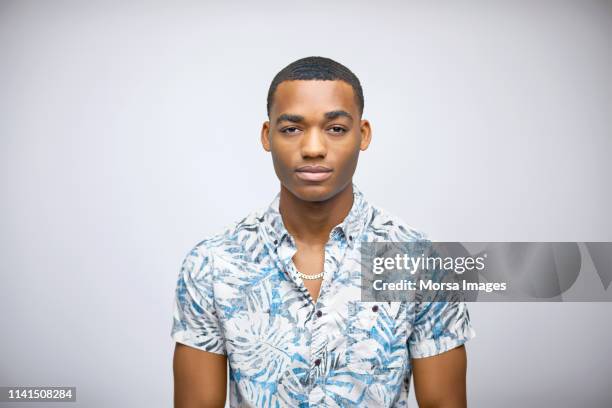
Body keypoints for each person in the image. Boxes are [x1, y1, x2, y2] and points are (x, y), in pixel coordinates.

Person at [171, 56, 476, 407]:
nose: (313, 148)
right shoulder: (212, 264)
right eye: (292, 129)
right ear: (267, 136)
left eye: (335, 128)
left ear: (362, 135)